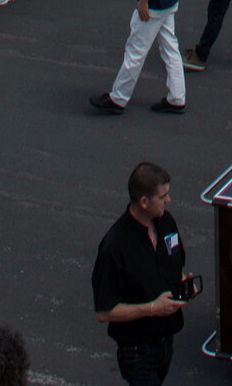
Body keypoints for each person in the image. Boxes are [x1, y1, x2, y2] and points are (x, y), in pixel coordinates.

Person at [91, 160, 190, 386]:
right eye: (163, 196)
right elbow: (105, 312)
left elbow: (177, 264)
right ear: (144, 202)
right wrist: (153, 309)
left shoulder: (166, 222)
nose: (169, 200)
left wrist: (184, 283)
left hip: (166, 341)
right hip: (137, 351)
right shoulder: (115, 248)